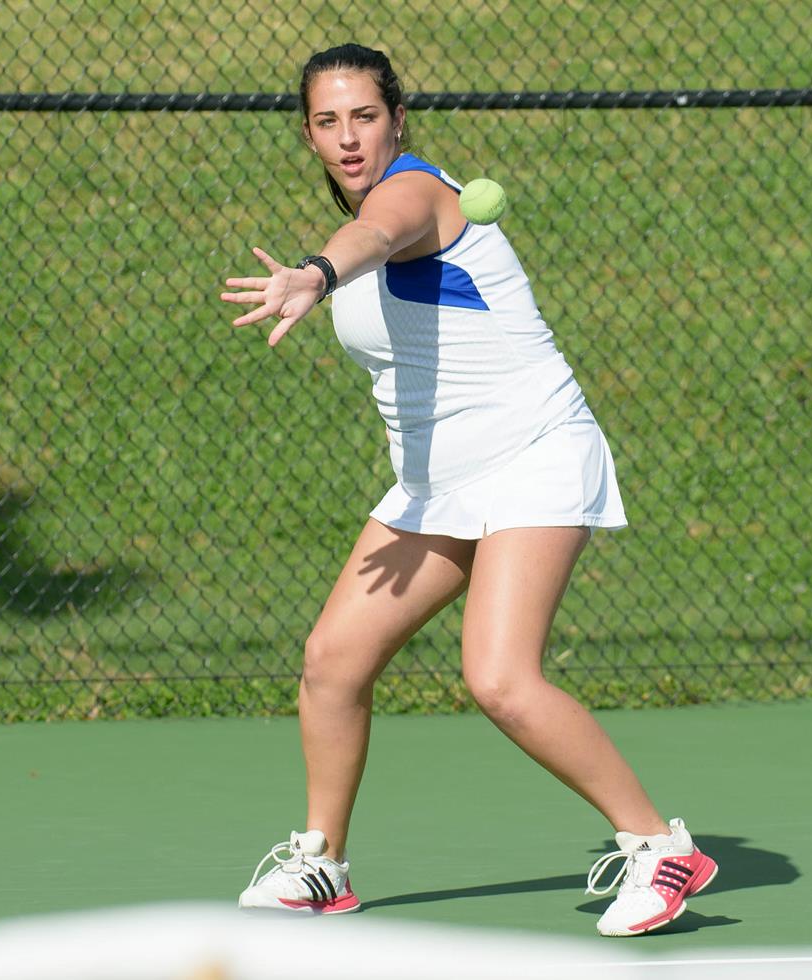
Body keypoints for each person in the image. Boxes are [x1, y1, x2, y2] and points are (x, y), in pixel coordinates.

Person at [219, 43, 716, 938]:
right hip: (437, 482)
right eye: (328, 122)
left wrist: (316, 273)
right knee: (333, 662)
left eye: (364, 116)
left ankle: (659, 847)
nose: (348, 138)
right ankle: (323, 864)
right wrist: (327, 271)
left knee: (499, 678)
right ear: (309, 135)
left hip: (532, 453)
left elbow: (376, 234)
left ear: (397, 120)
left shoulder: (414, 191)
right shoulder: (361, 210)